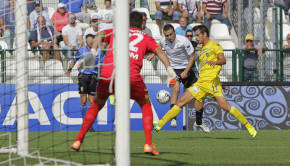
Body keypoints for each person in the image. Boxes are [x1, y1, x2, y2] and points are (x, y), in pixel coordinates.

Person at [71, 11, 177, 156]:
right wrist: (170, 70)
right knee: (145, 105)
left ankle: (78, 140)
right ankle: (148, 145)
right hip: (130, 77)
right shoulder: (145, 37)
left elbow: (99, 35)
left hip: (108, 75)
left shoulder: (116, 32)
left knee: (96, 105)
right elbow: (159, 52)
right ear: (142, 24)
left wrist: (94, 52)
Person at [153, 25, 257, 139]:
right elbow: (207, 70)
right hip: (201, 84)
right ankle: (160, 124)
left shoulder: (215, 45)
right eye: (195, 36)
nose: (196, 38)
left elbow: (223, 60)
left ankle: (249, 126)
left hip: (212, 84)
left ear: (204, 35)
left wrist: (215, 62)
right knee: (180, 102)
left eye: (198, 35)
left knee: (225, 107)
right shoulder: (201, 49)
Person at [153, 24, 209, 132]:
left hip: (187, 69)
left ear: (174, 32)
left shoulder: (183, 41)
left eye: (171, 34)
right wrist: (152, 54)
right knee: (176, 89)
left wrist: (186, 71)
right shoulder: (163, 41)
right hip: (174, 70)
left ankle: (199, 122)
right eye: (167, 35)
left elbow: (192, 57)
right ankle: (173, 118)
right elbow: (158, 50)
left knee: (199, 96)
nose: (169, 37)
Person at [66, 34, 104, 131]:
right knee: (83, 101)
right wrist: (69, 69)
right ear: (86, 41)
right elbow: (74, 60)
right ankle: (85, 123)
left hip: (94, 77)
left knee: (92, 102)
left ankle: (89, 123)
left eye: (92, 40)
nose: (91, 42)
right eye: (89, 40)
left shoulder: (99, 52)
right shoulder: (81, 50)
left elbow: (103, 64)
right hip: (83, 76)